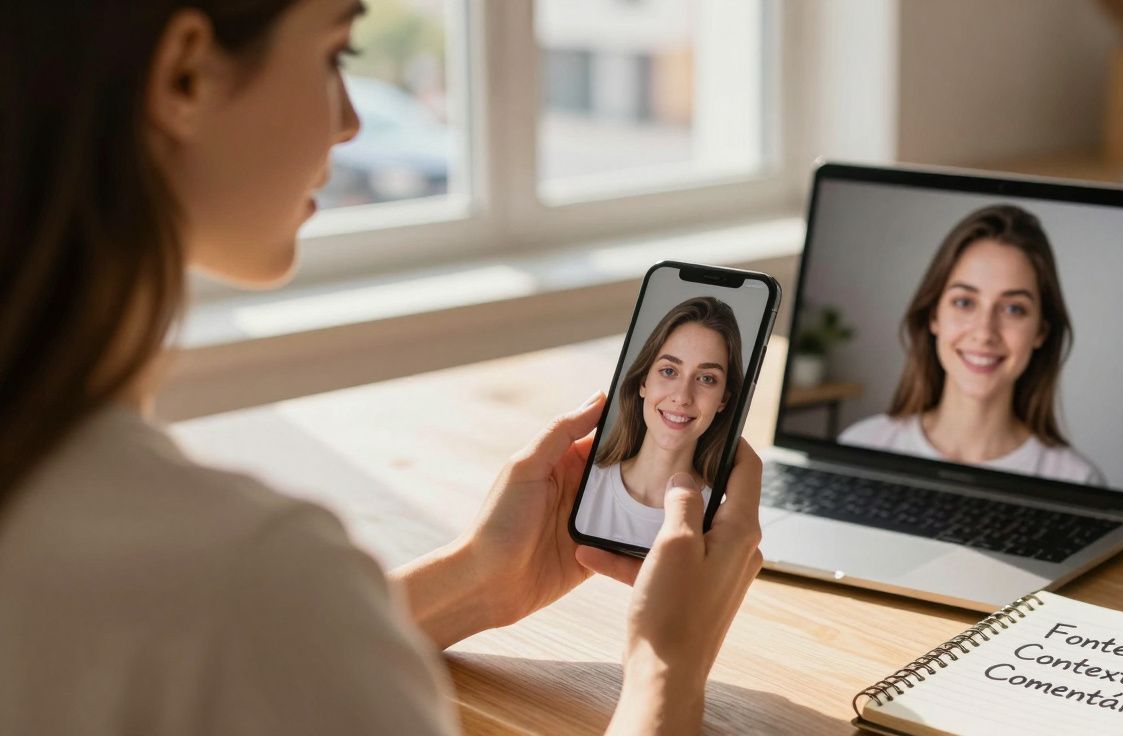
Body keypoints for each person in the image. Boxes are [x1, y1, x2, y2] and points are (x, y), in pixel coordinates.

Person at [0, 2, 764, 734]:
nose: (351, 121)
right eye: (336, 52)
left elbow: (260, 661)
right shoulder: (239, 567)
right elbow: (245, 626)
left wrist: (476, 580)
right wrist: (669, 664)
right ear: (185, 76)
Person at [838, 205, 1105, 485]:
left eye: (1013, 309)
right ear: (934, 316)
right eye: (964, 302)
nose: (984, 332)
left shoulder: (1077, 480)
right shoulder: (858, 446)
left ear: (1041, 331)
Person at [575, 297, 745, 548]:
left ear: (724, 400)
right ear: (644, 381)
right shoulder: (582, 485)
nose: (682, 397)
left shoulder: (721, 521)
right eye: (669, 371)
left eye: (707, 378)